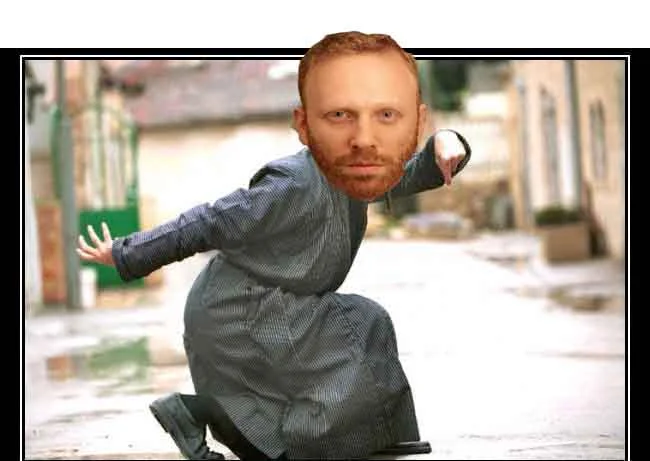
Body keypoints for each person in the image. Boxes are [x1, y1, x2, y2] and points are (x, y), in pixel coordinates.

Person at [77, 31, 472, 460]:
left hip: (270, 305)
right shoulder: (292, 183)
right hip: (237, 310)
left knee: (357, 330)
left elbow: (412, 171)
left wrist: (445, 143)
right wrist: (127, 252)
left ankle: (199, 413)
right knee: (354, 326)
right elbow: (210, 221)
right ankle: (318, 442)